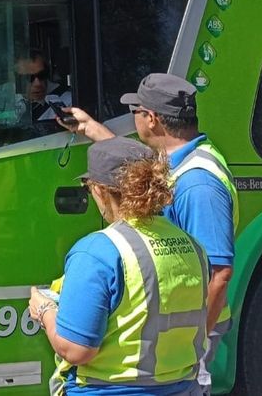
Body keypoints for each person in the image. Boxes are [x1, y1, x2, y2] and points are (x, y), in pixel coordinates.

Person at [60, 73, 237, 396]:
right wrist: (94, 132)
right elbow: (142, 176)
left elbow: (219, 272)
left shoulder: (198, 183)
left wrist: (195, 348)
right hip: (166, 325)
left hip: (181, 332)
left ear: (152, 119)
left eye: (136, 112)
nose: (135, 119)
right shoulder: (179, 163)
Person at [29, 137, 209, 396]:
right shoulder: (192, 246)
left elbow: (76, 349)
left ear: (101, 190)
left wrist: (44, 309)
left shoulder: (96, 252)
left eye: (88, 186)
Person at [16, 49, 72, 122]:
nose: (38, 83)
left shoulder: (68, 101)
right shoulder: (1, 97)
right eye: (29, 77)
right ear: (17, 79)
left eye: (42, 75)